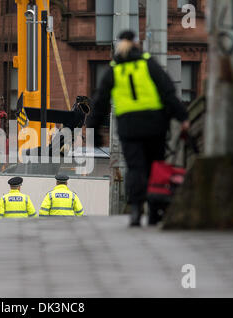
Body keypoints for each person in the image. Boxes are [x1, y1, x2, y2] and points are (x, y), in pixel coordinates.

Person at [86, 30, 190, 227]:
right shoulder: (148, 64)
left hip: (129, 127)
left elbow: (100, 102)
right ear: (136, 44)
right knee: (154, 166)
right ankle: (153, 212)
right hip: (154, 125)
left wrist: (94, 130)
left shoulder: (114, 71)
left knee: (135, 168)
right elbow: (168, 92)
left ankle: (135, 211)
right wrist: (182, 118)